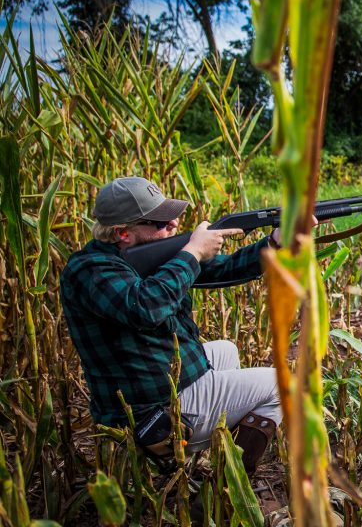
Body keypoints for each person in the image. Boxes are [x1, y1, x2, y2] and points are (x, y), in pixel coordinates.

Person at [60, 176, 282, 473]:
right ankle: (228, 484)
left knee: (226, 350)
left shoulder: (139, 257)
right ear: (123, 233)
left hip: (158, 380)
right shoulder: (89, 270)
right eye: (160, 222)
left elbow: (224, 270)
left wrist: (275, 243)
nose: (174, 226)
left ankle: (199, 457)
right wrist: (192, 253)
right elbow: (145, 307)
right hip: (148, 410)